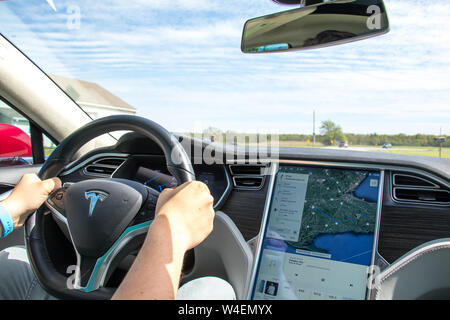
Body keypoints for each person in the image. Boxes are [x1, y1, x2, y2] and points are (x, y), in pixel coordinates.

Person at [0, 173, 231, 300]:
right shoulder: (172, 225)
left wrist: (8, 212)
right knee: (214, 289)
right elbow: (174, 225)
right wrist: (172, 227)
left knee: (10, 260)